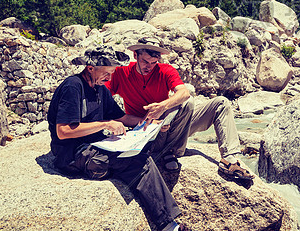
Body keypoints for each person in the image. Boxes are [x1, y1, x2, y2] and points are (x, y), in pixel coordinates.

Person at [47, 45, 208, 231]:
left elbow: (121, 117)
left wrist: (147, 121)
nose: (109, 76)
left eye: (112, 72)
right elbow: (64, 131)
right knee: (139, 161)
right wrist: (105, 125)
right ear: (90, 68)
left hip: (95, 147)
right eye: (106, 71)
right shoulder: (73, 86)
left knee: (138, 156)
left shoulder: (100, 89)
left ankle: (171, 230)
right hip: (72, 154)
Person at [106, 36, 254, 183]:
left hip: (171, 127)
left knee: (219, 103)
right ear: (135, 55)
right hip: (146, 134)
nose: (149, 66)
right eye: (145, 61)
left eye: (153, 62)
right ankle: (170, 152)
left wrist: (162, 107)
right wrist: (148, 122)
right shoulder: (121, 73)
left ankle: (229, 160)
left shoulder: (164, 70)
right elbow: (102, 103)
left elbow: (184, 93)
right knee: (185, 104)